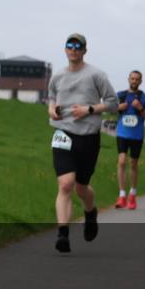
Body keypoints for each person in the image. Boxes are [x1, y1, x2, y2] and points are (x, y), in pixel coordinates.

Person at [47, 33, 119, 253]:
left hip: (88, 136)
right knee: (65, 184)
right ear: (65, 49)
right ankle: (63, 234)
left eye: (78, 46)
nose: (73, 49)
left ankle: (90, 213)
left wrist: (89, 109)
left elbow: (113, 103)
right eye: (70, 45)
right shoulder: (57, 76)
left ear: (84, 50)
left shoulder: (96, 75)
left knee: (81, 187)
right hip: (63, 133)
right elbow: (51, 97)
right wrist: (51, 109)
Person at [114, 70, 145, 210]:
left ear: (140, 81)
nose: (134, 81)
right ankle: (122, 195)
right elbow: (110, 109)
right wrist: (119, 107)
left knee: (133, 164)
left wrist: (140, 108)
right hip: (122, 133)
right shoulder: (121, 95)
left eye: (137, 79)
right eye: (132, 78)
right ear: (128, 79)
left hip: (137, 135)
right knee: (122, 161)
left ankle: (132, 195)